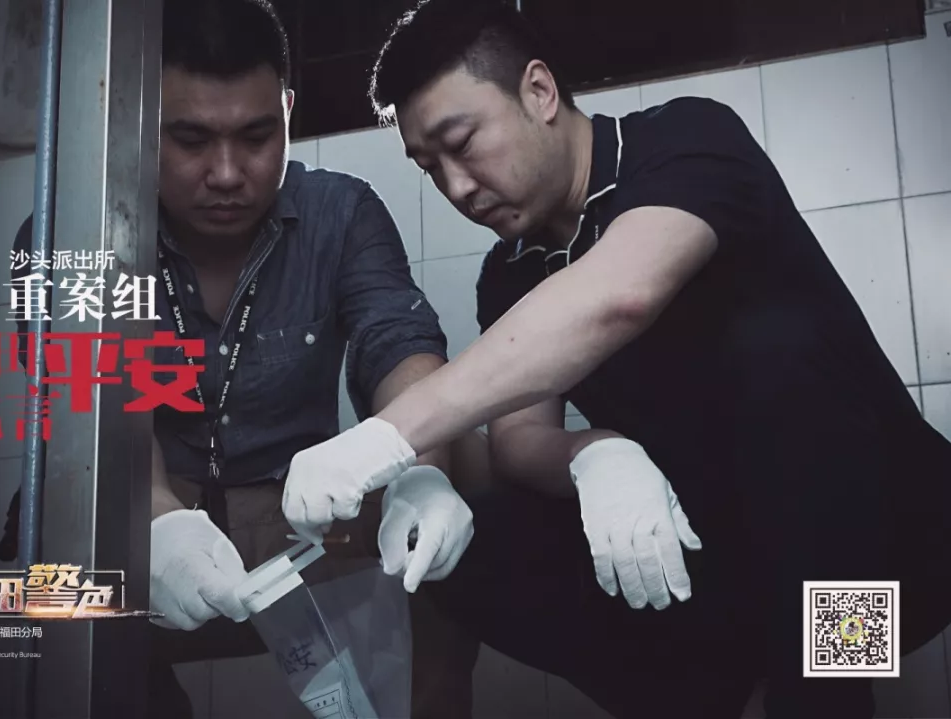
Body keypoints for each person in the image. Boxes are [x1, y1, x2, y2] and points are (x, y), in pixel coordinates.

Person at [279, 1, 951, 717]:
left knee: (778, 353)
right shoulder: (509, 274)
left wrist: (385, 436)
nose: (457, 187)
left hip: (892, 559)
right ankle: (700, 698)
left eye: (462, 143)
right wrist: (595, 452)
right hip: (725, 566)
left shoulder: (685, 143)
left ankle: (824, 697)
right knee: (464, 543)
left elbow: (618, 295)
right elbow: (519, 437)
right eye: (430, 167)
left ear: (539, 91)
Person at [0, 1, 485, 717]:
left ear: (287, 110)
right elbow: (88, 408)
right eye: (190, 138)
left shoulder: (342, 212)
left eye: (257, 137)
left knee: (459, 463)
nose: (226, 173)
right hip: (141, 499)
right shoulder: (64, 233)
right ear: (139, 121)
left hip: (299, 512)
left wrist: (424, 476)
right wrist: (158, 520)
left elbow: (399, 347)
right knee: (45, 558)